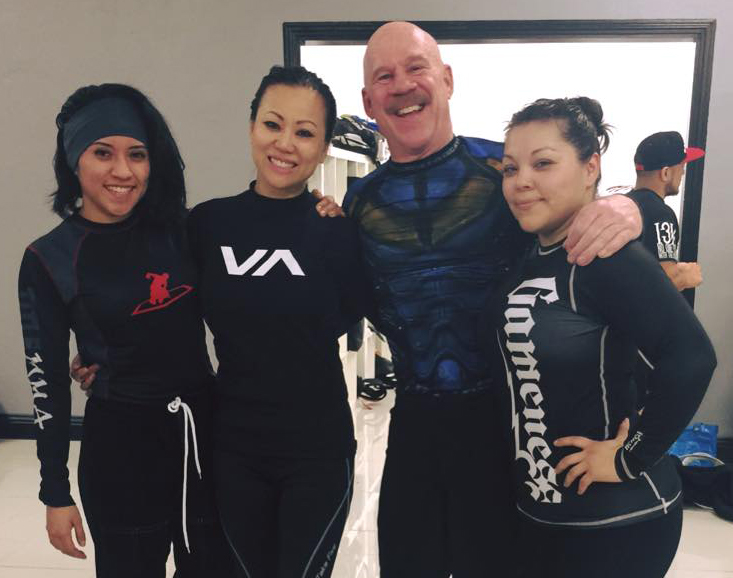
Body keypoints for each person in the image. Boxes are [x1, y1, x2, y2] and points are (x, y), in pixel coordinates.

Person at [341, 21, 644, 577]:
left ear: (447, 79)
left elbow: (574, 214)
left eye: (416, 68)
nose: (402, 85)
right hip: (413, 423)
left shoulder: (501, 173)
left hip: (504, 425)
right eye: (384, 76)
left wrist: (628, 207)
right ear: (367, 101)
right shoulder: (358, 202)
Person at [491, 96, 716, 578]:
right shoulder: (529, 255)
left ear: (591, 167)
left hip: (617, 524)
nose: (521, 180)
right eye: (510, 168)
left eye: (543, 163)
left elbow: (692, 356)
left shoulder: (607, 256)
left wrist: (630, 459)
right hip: (544, 516)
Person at [17, 83, 232, 577]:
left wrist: (319, 210)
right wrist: (54, 492)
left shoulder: (186, 231)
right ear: (73, 160)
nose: (123, 171)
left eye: (137, 154)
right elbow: (46, 383)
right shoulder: (49, 258)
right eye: (102, 153)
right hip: (120, 451)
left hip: (204, 437)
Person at [186, 65, 369, 578]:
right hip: (234, 446)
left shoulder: (337, 233)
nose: (285, 143)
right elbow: (162, 308)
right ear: (251, 128)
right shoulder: (208, 224)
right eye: (272, 124)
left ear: (324, 147)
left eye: (304, 132)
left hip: (318, 449)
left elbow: (364, 309)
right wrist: (100, 352)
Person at [628, 130, 705, 290]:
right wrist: (685, 276)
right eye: (681, 166)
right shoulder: (661, 214)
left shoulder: (625, 204)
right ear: (665, 173)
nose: (683, 172)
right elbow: (666, 282)